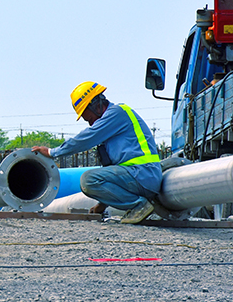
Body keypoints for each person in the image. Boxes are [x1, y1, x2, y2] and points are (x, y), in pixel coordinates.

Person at [32, 82, 162, 224]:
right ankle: (137, 204)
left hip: (143, 175)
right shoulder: (112, 125)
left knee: (88, 180)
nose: (90, 123)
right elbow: (113, 174)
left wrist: (52, 152)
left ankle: (139, 206)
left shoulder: (117, 113)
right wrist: (102, 204)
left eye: (89, 118)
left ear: (96, 104)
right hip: (139, 176)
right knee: (95, 177)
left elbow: (86, 138)